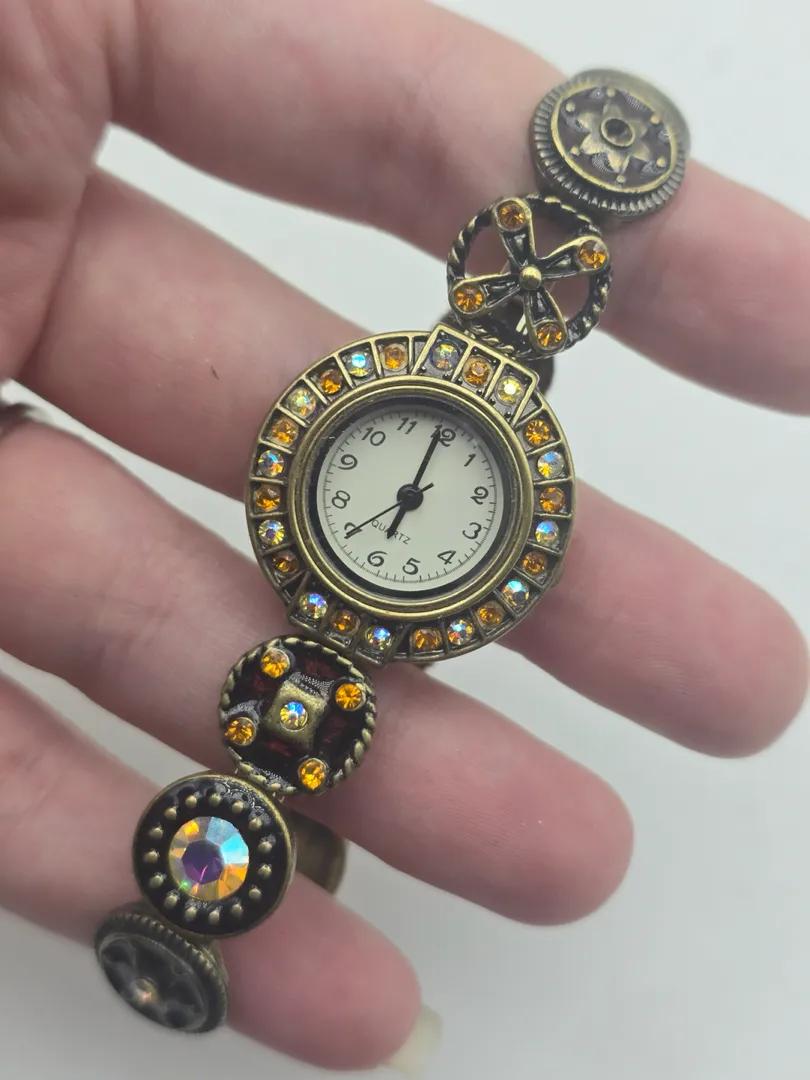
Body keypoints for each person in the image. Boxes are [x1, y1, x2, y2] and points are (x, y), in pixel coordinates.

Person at [0, 0, 806, 1075]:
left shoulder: (499, 464)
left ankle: (256, 858)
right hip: (339, 585)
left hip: (365, 608)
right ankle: (258, 857)